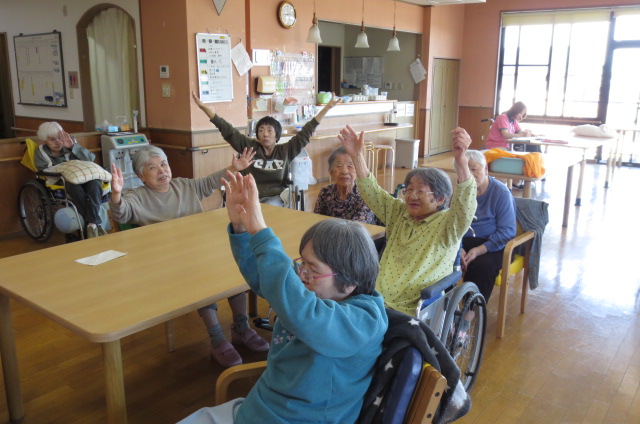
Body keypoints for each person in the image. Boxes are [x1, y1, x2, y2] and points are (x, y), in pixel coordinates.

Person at [177, 171, 387, 424]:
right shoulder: (309, 292)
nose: (302, 274)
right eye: (302, 263)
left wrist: (261, 231)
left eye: (312, 269)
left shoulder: (364, 319)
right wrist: (242, 228)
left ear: (350, 281)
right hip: (261, 409)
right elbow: (265, 276)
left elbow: (305, 314)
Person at [109, 145, 269, 367]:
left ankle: (241, 327)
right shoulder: (137, 196)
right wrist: (116, 195)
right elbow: (121, 212)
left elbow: (211, 181)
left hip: (199, 250)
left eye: (163, 164)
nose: (161, 170)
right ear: (140, 176)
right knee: (200, 277)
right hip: (167, 262)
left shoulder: (183, 185)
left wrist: (234, 167)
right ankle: (216, 336)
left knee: (235, 266)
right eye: (152, 168)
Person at [338, 125, 477, 316]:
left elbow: (465, 205)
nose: (412, 196)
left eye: (420, 191)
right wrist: (357, 156)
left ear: (440, 199)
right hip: (373, 299)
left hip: (410, 309)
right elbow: (371, 191)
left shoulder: (449, 225)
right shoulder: (399, 213)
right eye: (409, 190)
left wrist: (461, 161)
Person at [192, 91, 339, 206]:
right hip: (249, 196)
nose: (265, 134)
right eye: (261, 130)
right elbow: (227, 130)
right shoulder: (249, 147)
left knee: (270, 207)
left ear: (277, 135)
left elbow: (308, 130)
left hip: (276, 198)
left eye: (269, 130)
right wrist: (206, 109)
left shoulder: (286, 150)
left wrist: (327, 108)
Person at [456, 150, 516, 302]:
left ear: (486, 169)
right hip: (463, 242)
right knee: (442, 259)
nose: (469, 174)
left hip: (493, 244)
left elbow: (508, 231)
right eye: (465, 169)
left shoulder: (501, 192)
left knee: (482, 266)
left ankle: (469, 315)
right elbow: (451, 224)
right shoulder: (459, 191)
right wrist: (459, 248)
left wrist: (478, 250)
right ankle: (443, 310)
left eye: (474, 169)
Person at [34, 121, 107, 238]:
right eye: (52, 139)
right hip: (62, 182)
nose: (57, 142)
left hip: (84, 177)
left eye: (59, 138)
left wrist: (73, 147)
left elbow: (89, 159)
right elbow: (43, 170)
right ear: (45, 140)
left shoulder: (70, 143)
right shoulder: (40, 152)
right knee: (74, 187)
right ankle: (94, 223)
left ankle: (91, 223)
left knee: (94, 184)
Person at [314, 146, 377, 225]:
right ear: (331, 172)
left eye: (350, 166)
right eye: (339, 166)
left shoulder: (365, 195)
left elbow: (357, 229)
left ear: (358, 171)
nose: (344, 171)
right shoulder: (325, 193)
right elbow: (317, 221)